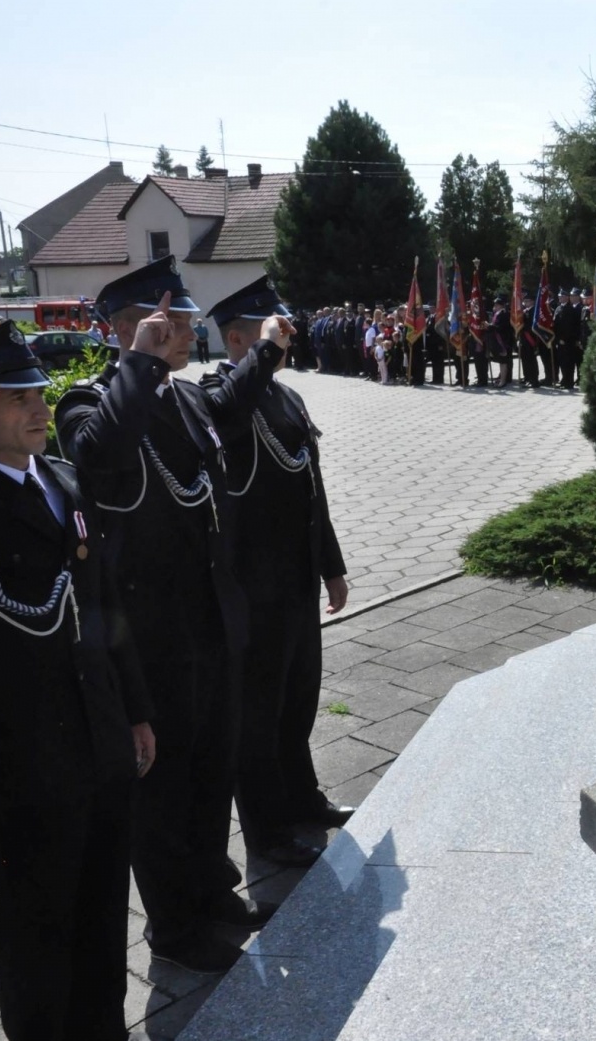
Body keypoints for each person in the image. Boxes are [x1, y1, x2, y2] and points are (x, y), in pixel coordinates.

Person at [0, 323, 154, 1040]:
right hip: (20, 749)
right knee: (35, 925)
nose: (41, 408)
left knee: (102, 910)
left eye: (40, 392)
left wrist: (136, 710)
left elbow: (104, 605)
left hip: (98, 733)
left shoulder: (64, 480)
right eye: (18, 398)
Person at [55, 256, 290, 974]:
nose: (190, 333)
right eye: (176, 322)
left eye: (187, 322)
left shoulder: (184, 396)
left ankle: (212, 889)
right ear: (131, 328)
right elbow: (97, 453)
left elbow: (230, 408)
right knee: (163, 786)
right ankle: (175, 925)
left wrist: (268, 351)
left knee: (212, 767)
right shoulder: (90, 402)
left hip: (209, 620)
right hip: (150, 633)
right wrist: (138, 362)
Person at [201, 278, 353, 869]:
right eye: (269, 330)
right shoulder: (217, 393)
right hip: (251, 586)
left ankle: (302, 799)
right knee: (258, 714)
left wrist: (331, 567)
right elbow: (226, 414)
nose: (284, 337)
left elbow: (313, 488)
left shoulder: (286, 397)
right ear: (238, 339)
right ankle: (267, 831)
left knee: (298, 699)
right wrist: (263, 355)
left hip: (295, 577)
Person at [552, 287, 580, 389]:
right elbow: (556, 325)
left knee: (568, 363)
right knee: (562, 362)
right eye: (559, 296)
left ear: (567, 298)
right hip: (559, 340)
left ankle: (569, 382)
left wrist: (563, 339)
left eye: (562, 296)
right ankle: (564, 380)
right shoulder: (558, 308)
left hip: (567, 341)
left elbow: (569, 327)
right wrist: (556, 338)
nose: (560, 298)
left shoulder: (570, 309)